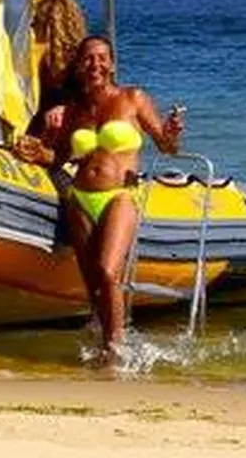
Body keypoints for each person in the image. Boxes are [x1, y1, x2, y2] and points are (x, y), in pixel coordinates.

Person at [13, 35, 184, 362]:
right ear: (79, 67)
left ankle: (115, 349)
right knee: (93, 285)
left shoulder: (132, 98)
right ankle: (100, 347)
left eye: (102, 58)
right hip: (80, 199)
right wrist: (37, 151)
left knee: (107, 272)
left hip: (119, 196)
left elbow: (165, 145)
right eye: (88, 59)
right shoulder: (75, 110)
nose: (95, 64)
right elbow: (60, 156)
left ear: (112, 64)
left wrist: (172, 132)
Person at [29, 0, 89, 141]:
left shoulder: (80, 61)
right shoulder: (83, 57)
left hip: (60, 131)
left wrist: (67, 110)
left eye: (35, 21)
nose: (31, 27)